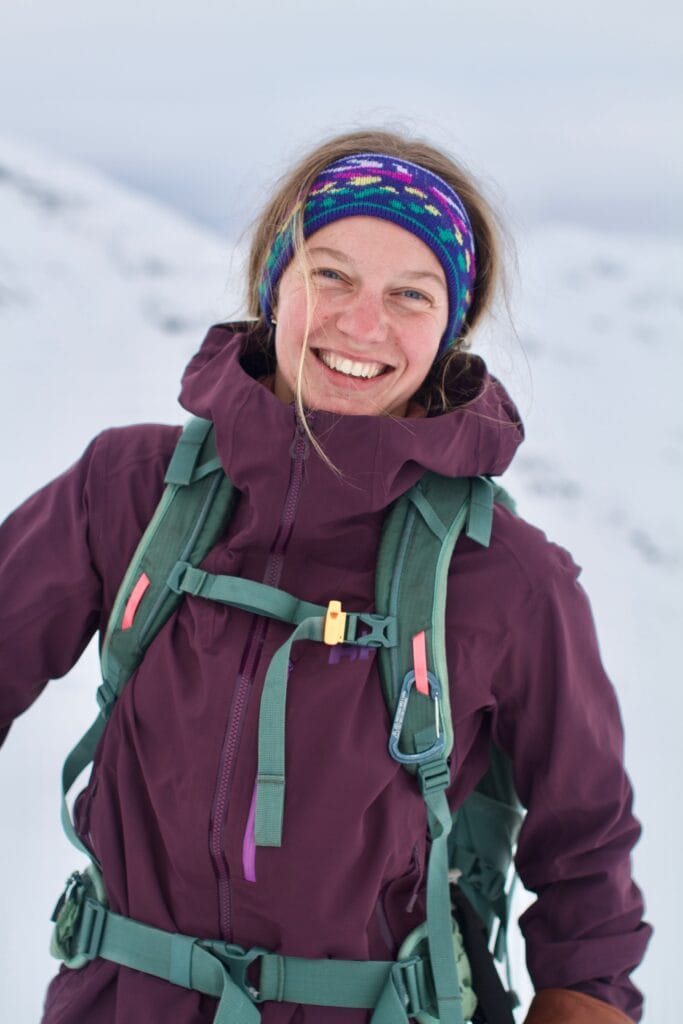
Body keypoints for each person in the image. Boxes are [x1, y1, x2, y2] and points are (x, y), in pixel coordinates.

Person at [0, 129, 651, 1023]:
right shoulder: (129, 493)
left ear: (448, 328)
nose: (361, 322)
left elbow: (586, 861)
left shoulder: (505, 577)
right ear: (276, 288)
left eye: (409, 295)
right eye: (330, 274)